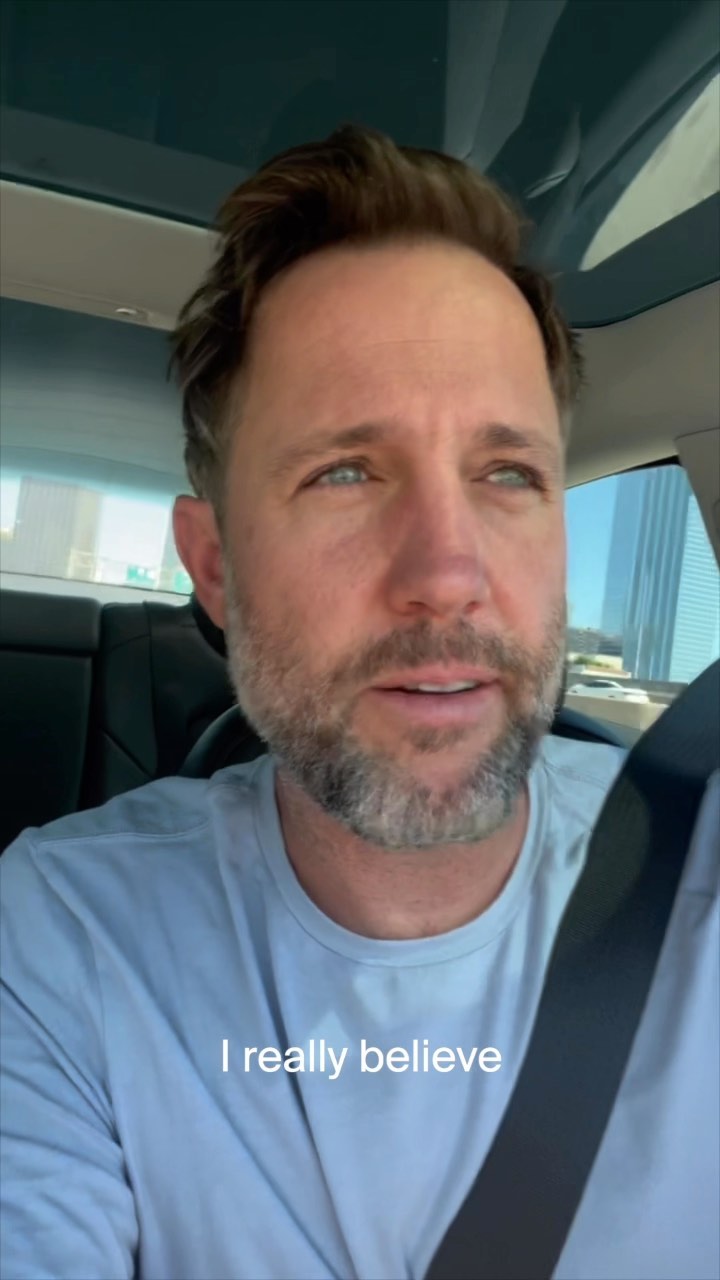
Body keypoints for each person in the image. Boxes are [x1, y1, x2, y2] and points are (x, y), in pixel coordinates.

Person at [1, 125, 717, 1280]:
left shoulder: (701, 873)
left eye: (507, 473)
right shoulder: (63, 936)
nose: (447, 571)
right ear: (216, 565)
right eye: (345, 470)